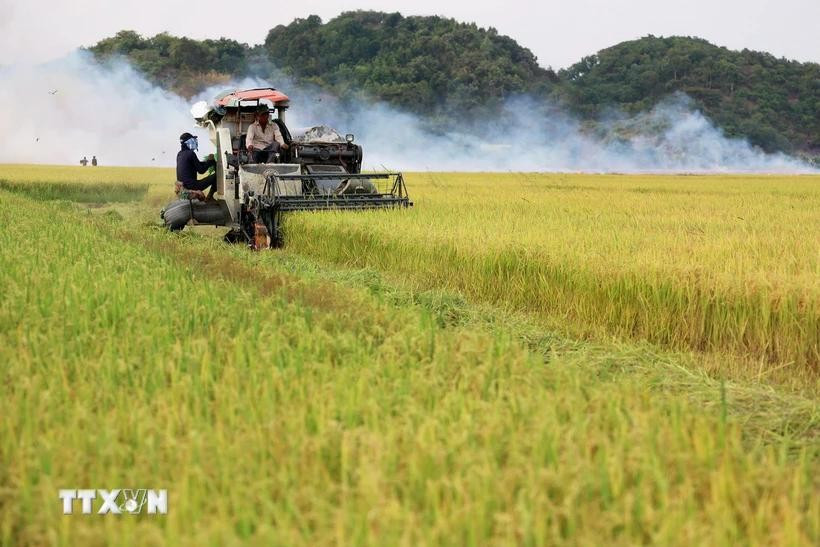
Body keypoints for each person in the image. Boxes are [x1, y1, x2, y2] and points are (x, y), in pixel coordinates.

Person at [176, 132, 216, 200]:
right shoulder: (191, 153)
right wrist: (210, 161)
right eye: (193, 140)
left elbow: (195, 164)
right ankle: (210, 197)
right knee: (217, 176)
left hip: (183, 187)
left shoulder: (179, 154)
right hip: (192, 186)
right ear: (188, 142)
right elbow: (201, 171)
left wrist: (208, 162)